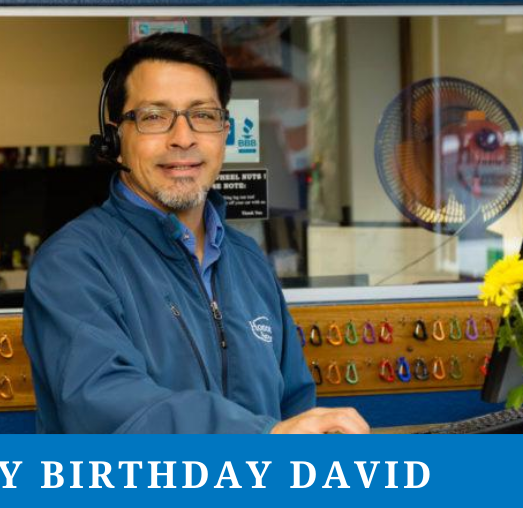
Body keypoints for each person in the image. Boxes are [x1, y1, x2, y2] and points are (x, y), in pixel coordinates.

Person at [23, 32, 369, 434]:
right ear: (116, 139)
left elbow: (294, 404)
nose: (183, 138)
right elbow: (110, 411)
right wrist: (263, 438)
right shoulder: (72, 265)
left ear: (225, 132)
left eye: (203, 115)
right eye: (155, 117)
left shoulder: (248, 260)